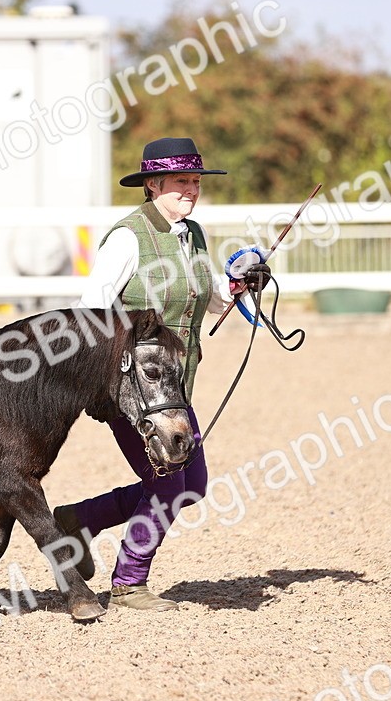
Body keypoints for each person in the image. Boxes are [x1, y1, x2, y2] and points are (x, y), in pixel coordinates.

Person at [54, 137, 270, 612]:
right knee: (169, 485)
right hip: (132, 388)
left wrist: (238, 284)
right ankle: (129, 582)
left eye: (194, 181)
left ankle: (78, 520)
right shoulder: (129, 237)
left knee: (192, 487)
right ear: (153, 185)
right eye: (181, 182)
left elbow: (207, 298)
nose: (190, 190)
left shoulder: (192, 234)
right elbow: (91, 310)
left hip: (173, 388)